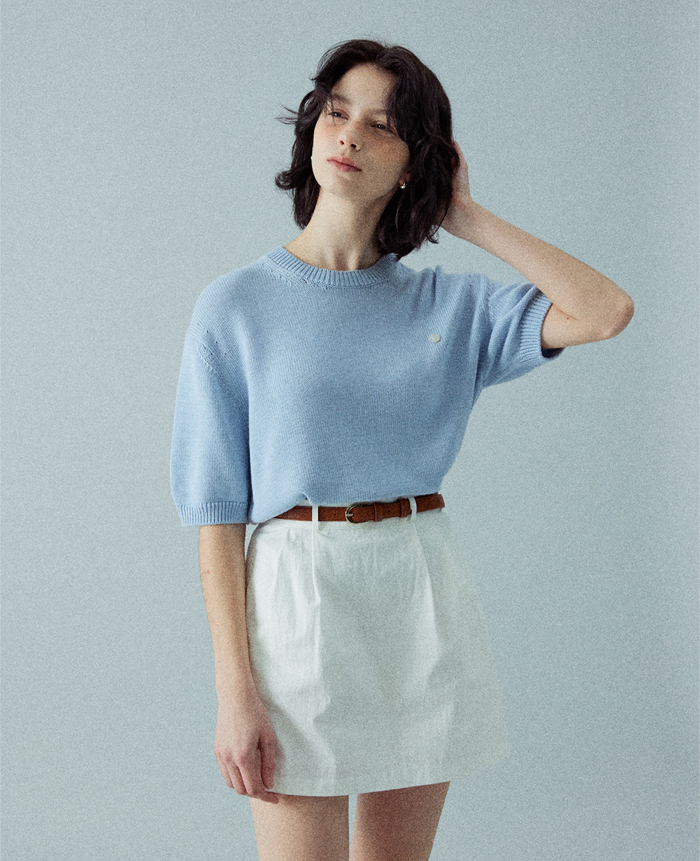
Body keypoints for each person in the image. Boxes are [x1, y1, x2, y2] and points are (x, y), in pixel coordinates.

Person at [170, 38, 633, 861]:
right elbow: (216, 515)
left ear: (417, 161)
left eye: (382, 125)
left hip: (418, 592)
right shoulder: (234, 307)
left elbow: (605, 310)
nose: (350, 133)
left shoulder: (453, 308)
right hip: (295, 597)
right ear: (313, 129)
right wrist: (233, 692)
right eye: (336, 111)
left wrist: (467, 216)